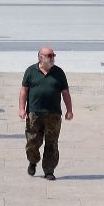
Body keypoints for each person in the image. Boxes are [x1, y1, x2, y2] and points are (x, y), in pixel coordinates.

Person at [20, 46, 73, 180]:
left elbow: (65, 93)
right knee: (32, 141)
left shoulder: (59, 72)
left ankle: (49, 170)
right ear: (40, 58)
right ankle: (33, 161)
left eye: (53, 55)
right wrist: (22, 109)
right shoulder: (31, 71)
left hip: (53, 114)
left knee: (52, 143)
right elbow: (24, 91)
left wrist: (69, 110)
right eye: (49, 56)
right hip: (34, 114)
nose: (52, 58)